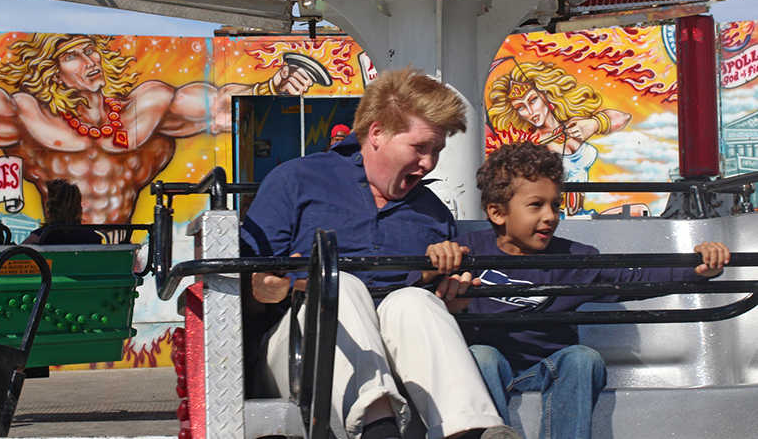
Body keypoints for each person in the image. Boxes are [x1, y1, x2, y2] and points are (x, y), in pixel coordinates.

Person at [241, 68, 520, 439]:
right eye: (420, 147)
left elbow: (436, 310)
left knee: (413, 303)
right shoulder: (296, 181)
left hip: (399, 363)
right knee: (343, 285)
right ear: (377, 134)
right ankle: (379, 428)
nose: (429, 163)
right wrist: (263, 288)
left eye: (436, 150)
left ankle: (469, 430)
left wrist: (450, 288)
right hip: (296, 355)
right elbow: (242, 285)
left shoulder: (433, 214)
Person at [428, 142, 730, 439]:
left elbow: (634, 277)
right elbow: (420, 285)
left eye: (555, 205)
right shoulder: (469, 253)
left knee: (583, 357)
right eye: (536, 205)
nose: (550, 216)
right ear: (497, 213)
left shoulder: (575, 258)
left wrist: (697, 268)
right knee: (481, 356)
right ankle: (494, 433)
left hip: (550, 370)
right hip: (492, 374)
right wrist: (437, 260)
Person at [0, 32, 315, 224]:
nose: (89, 61)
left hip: (131, 250)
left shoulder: (146, 107)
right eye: (72, 56)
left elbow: (219, 107)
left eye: (90, 50)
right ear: (52, 71)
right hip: (63, 253)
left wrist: (272, 87)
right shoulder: (30, 114)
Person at [486, 61, 630, 215]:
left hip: (580, 214)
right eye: (520, 107)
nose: (529, 111)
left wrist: (594, 124)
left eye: (533, 100)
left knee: (638, 211)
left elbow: (624, 118)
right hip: (552, 216)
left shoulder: (575, 125)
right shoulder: (533, 144)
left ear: (547, 94)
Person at [22, 179, 103, 245]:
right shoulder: (93, 238)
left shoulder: (39, 237)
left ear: (51, 208)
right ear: (78, 207)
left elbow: (17, 256)